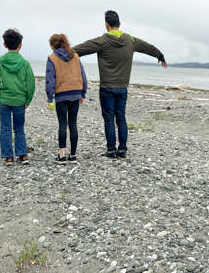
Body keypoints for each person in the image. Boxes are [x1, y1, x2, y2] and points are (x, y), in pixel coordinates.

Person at [73, 10, 167, 158]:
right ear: (120, 24)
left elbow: (78, 50)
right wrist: (160, 56)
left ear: (106, 24)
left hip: (107, 88)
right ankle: (122, 150)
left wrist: (61, 55)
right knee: (121, 118)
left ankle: (111, 150)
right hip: (122, 87)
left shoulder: (101, 41)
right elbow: (148, 48)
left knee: (109, 119)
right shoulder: (131, 40)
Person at [0, 28, 36, 166]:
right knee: (19, 128)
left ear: (5, 45)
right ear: (20, 45)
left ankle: (8, 157)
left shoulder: (0, 61)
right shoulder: (25, 63)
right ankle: (22, 156)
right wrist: (28, 99)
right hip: (20, 100)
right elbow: (30, 83)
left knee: (5, 128)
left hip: (3, 99)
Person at [46, 33, 88, 165]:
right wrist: (83, 93)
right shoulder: (75, 56)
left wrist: (49, 98)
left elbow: (50, 80)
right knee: (73, 123)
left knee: (62, 124)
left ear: (52, 46)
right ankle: (73, 155)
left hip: (61, 95)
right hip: (75, 93)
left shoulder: (52, 58)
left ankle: (62, 156)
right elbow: (83, 75)